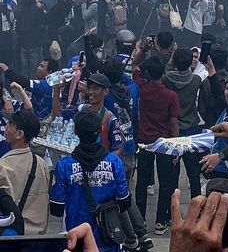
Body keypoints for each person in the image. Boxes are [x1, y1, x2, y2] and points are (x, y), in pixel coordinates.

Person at [51, 109, 131, 252]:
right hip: (109, 237)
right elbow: (124, 202)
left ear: (75, 131)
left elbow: (56, 208)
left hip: (77, 239)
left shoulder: (64, 166)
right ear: (100, 130)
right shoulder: (115, 163)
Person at [0, 109, 51, 235]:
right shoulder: (41, 164)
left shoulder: (1, 166)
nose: (5, 127)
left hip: (13, 238)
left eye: (10, 125)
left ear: (19, 134)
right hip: (39, 238)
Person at [135, 57, 180, 234]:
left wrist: (141, 51)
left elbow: (135, 67)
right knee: (166, 182)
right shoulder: (171, 95)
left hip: (144, 141)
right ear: (163, 74)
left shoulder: (141, 89)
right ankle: (161, 221)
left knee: (142, 182)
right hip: (164, 142)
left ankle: (140, 219)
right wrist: (176, 146)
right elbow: (174, 121)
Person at [162, 47, 205, 198]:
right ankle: (197, 204)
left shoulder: (166, 79)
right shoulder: (196, 80)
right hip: (191, 129)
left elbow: (166, 70)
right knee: (193, 174)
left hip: (172, 131)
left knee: (172, 175)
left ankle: (172, 208)